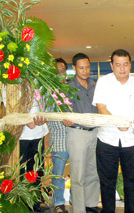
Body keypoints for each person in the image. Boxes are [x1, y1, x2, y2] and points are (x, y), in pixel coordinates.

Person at [93, 49, 134, 213]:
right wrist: (117, 122)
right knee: (107, 181)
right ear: (111, 65)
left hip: (131, 140)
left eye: (125, 64)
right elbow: (100, 107)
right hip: (106, 139)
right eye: (118, 65)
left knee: (132, 181)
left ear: (130, 65)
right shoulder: (103, 82)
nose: (122, 68)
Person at [63, 53, 100, 213]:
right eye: (81, 67)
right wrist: (65, 118)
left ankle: (91, 205)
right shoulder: (67, 87)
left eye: (87, 67)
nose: (85, 71)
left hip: (96, 133)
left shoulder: (95, 85)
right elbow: (64, 112)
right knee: (78, 176)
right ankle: (79, 209)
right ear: (74, 68)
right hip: (77, 134)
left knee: (93, 172)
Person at [20, 102, 49, 213]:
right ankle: (22, 203)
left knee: (36, 171)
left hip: (38, 134)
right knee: (21, 171)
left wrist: (45, 116)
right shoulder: (13, 85)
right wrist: (24, 119)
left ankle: (35, 202)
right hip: (20, 136)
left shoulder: (41, 85)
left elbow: (47, 104)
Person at [48, 58, 69, 213]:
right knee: (58, 173)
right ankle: (59, 202)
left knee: (77, 173)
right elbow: (45, 114)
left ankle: (76, 199)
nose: (60, 73)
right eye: (57, 71)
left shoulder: (72, 89)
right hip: (58, 139)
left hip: (75, 138)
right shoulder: (46, 91)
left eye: (62, 70)